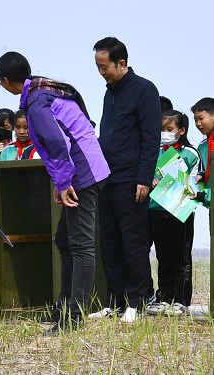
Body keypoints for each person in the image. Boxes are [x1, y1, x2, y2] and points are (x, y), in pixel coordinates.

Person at [0, 51, 110, 335]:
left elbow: (58, 143)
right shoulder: (45, 89)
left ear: (6, 81)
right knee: (64, 239)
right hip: (84, 167)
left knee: (80, 245)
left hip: (83, 170)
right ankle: (64, 308)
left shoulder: (36, 101)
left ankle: (73, 319)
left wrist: (64, 182)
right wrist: (61, 183)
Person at [90, 37, 161, 323]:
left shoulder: (144, 89)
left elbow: (150, 137)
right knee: (110, 241)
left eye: (104, 66)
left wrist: (144, 178)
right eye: (98, 67)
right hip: (107, 179)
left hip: (132, 179)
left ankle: (138, 300)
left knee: (133, 242)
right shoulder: (110, 92)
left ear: (122, 63)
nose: (101, 72)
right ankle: (115, 301)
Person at [146, 111, 199, 316]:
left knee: (181, 258)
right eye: (162, 130)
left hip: (180, 212)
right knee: (163, 257)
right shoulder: (155, 151)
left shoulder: (189, 153)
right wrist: (152, 181)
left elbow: (194, 182)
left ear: (181, 131)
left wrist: (176, 183)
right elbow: (147, 173)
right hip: (157, 210)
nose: (165, 134)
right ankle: (165, 297)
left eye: (169, 130)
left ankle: (181, 300)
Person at [191, 97, 214, 208]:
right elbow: (204, 170)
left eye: (201, 118)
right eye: (195, 120)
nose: (198, 124)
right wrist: (201, 175)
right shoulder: (203, 146)